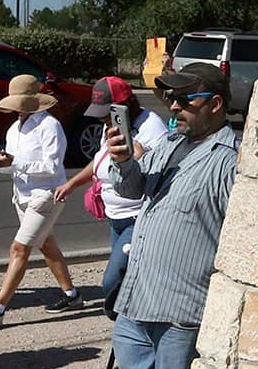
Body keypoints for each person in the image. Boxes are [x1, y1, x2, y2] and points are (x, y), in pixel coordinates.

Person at [107, 63, 238, 369]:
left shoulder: (230, 160)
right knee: (134, 365)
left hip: (185, 303)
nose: (174, 107)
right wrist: (124, 162)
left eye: (185, 100)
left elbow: (238, 234)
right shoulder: (168, 144)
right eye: (170, 100)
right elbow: (135, 190)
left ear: (216, 104)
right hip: (139, 294)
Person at [0, 75, 83, 327]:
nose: (16, 108)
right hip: (22, 195)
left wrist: (15, 163)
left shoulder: (49, 126)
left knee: (19, 249)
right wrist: (2, 163)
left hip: (46, 195)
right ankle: (72, 295)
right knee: (46, 244)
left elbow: (53, 167)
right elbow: (13, 166)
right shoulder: (14, 129)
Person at [53, 77, 171, 298]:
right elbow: (101, 159)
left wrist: (138, 156)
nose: (103, 119)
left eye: (107, 112)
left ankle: (126, 321)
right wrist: (72, 184)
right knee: (129, 277)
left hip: (138, 216)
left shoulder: (152, 128)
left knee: (111, 283)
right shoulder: (114, 125)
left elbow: (163, 176)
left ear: (125, 105)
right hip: (115, 218)